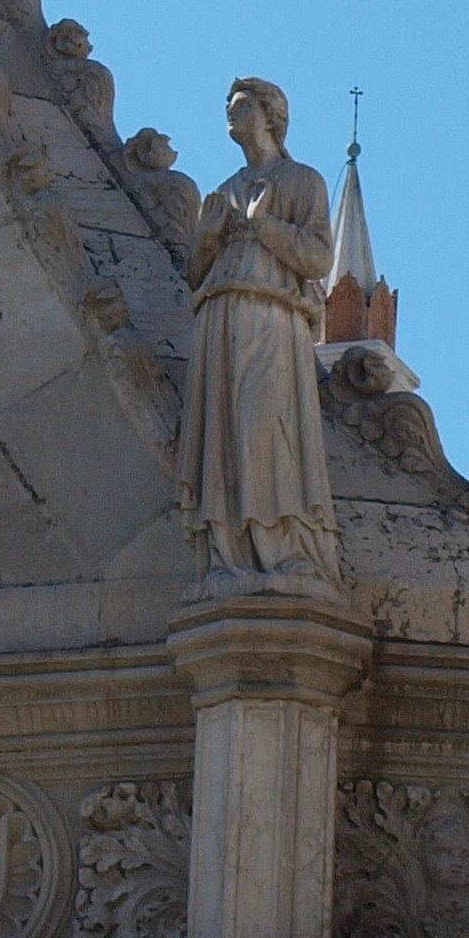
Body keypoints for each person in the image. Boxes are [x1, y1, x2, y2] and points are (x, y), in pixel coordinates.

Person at [177, 81, 338, 590]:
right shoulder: (221, 190)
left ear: (270, 115)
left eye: (242, 105)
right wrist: (206, 239)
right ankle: (227, 555)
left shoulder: (302, 181)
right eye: (227, 105)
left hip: (273, 317)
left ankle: (286, 551)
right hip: (220, 315)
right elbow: (194, 271)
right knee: (221, 437)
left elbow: (318, 259)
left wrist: (265, 226)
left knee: (265, 428)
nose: (230, 112)